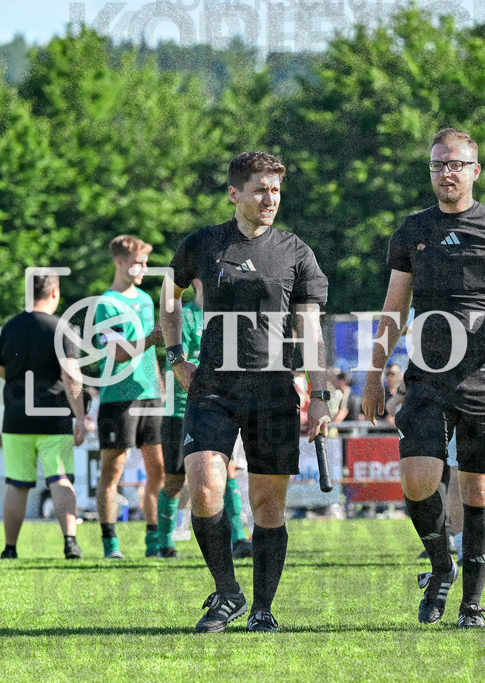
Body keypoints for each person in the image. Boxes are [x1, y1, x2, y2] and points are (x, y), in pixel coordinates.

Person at [361, 128, 485, 629]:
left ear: (475, 170)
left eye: (455, 164)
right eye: (438, 165)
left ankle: (473, 604)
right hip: (428, 376)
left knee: (480, 490)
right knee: (417, 479)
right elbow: (394, 308)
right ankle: (441, 565)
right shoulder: (413, 229)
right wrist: (374, 373)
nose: (446, 173)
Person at [162, 151, 330, 633]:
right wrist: (176, 357)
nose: (270, 198)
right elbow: (168, 299)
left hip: (274, 388)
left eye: (276, 190)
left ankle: (262, 608)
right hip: (212, 384)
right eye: (260, 189)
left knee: (268, 505)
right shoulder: (202, 243)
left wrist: (320, 392)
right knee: (205, 485)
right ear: (235, 193)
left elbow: (311, 328)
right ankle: (227, 592)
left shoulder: (296, 251)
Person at [157, 277, 252, 559]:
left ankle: (239, 538)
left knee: (228, 470)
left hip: (218, 407)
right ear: (198, 280)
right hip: (180, 409)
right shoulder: (183, 316)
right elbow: (180, 362)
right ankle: (164, 543)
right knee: (174, 481)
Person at [0, 270, 87, 560]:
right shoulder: (63, 328)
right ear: (55, 292)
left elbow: (1, 371)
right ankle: (70, 542)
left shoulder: (9, 327)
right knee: (60, 479)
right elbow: (72, 377)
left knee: (17, 484)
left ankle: (10, 549)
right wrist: (82, 417)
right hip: (54, 417)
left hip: (15, 419)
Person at [94, 235, 165, 559]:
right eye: (139, 262)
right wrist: (155, 336)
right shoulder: (105, 304)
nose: (144, 268)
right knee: (114, 469)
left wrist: (161, 387)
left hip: (150, 395)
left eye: (146, 262)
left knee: (159, 470)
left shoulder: (147, 300)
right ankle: (111, 543)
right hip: (117, 397)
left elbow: (149, 357)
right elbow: (120, 354)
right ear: (120, 262)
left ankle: (154, 540)